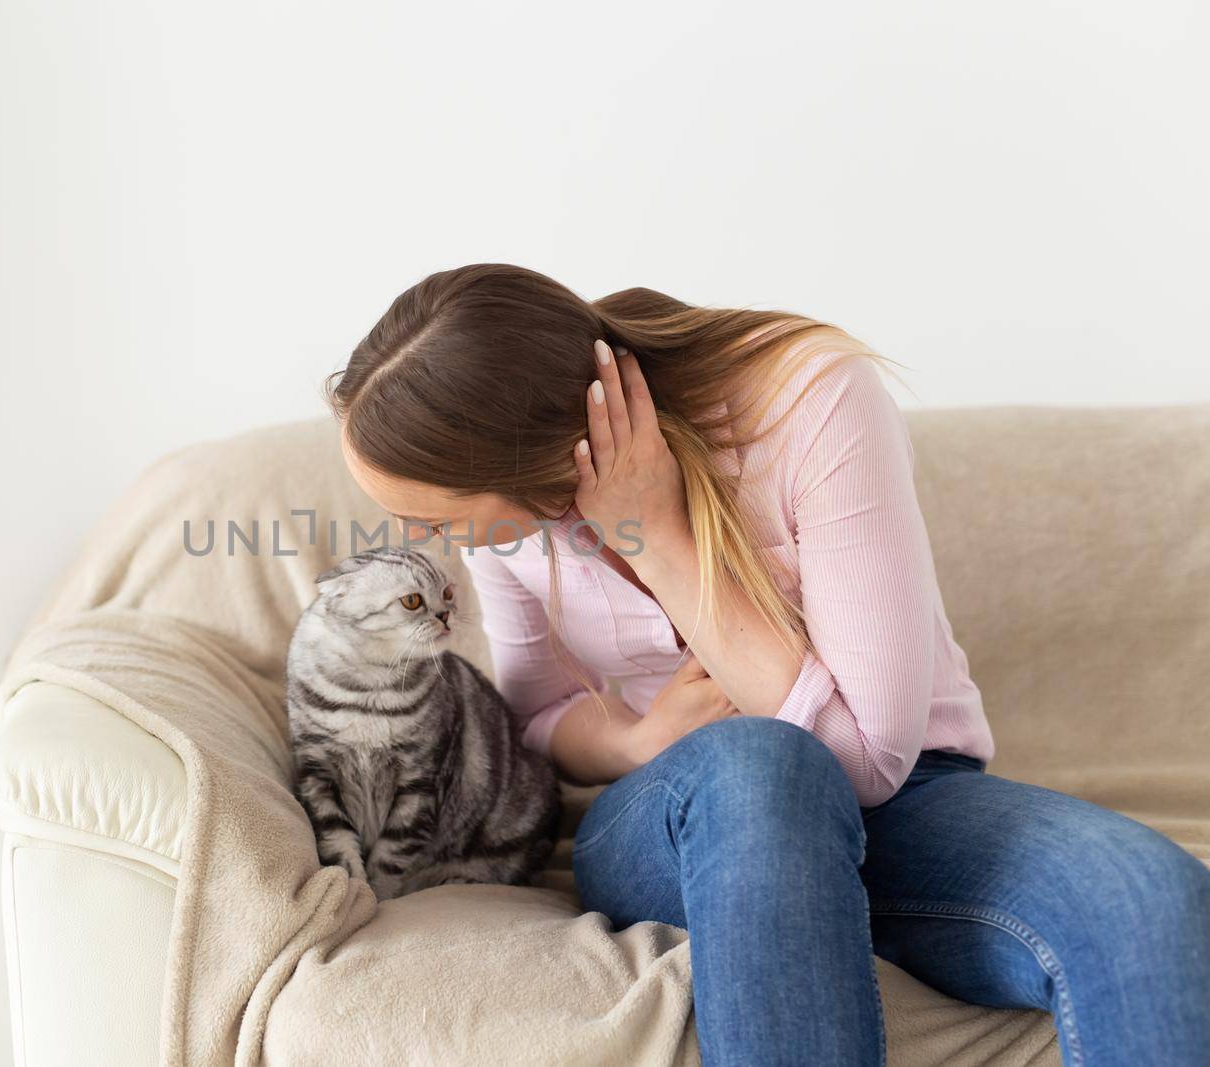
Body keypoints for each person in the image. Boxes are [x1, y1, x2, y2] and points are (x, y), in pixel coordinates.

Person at [326, 263, 1210, 1066]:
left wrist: (661, 536)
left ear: (547, 463)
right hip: (680, 815)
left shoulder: (810, 400)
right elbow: (537, 718)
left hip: (907, 801)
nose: (420, 547)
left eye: (435, 521)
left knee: (1142, 897)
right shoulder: (518, 526)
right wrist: (638, 742)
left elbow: (867, 761)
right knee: (761, 762)